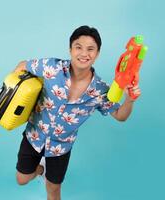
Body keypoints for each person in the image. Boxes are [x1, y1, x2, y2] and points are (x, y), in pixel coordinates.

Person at [13, 25, 141, 200]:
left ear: (97, 54)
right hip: (34, 135)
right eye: (78, 47)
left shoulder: (100, 90)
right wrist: (12, 93)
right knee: (22, 179)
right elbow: (22, 65)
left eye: (90, 49)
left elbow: (120, 115)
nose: (84, 53)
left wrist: (130, 100)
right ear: (70, 49)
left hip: (61, 147)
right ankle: (41, 168)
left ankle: (48, 175)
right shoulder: (52, 67)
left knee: (53, 188)